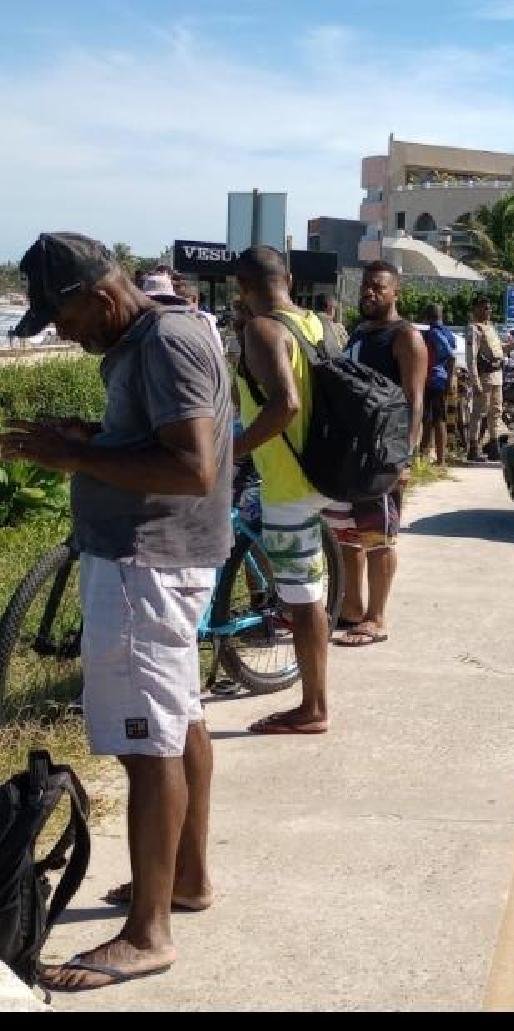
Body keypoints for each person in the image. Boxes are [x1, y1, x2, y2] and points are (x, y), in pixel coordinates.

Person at [1, 232, 232, 991]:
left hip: (146, 564)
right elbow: (159, 443)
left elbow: (192, 466)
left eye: (61, 317)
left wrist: (75, 458)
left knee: (148, 744)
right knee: (180, 721)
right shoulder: (164, 330)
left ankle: (148, 933)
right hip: (162, 560)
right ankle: (185, 880)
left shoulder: (162, 342)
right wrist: (91, 437)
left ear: (100, 295)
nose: (61, 334)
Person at [232, 245, 334, 736]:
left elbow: (285, 405)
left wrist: (232, 450)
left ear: (242, 287)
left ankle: (313, 707)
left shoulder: (262, 329)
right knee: (300, 586)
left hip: (288, 482)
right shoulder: (318, 324)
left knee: (302, 598)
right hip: (322, 473)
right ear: (289, 279)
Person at [325, 261, 428, 646]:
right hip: (348, 453)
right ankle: (351, 610)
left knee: (377, 535)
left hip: (382, 454)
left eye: (378, 287)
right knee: (345, 535)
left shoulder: (405, 337)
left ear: (395, 292)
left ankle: (376, 617)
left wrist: (404, 456)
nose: (369, 292)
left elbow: (415, 401)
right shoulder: (360, 332)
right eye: (366, 286)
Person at [466, 296, 506, 461]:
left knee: (495, 412)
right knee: (479, 413)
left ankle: (494, 446)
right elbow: (472, 358)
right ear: (475, 309)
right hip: (484, 377)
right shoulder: (474, 329)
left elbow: (500, 351)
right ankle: (473, 448)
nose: (487, 311)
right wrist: (475, 382)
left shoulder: (491, 328)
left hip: (497, 376)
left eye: (488, 308)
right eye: (483, 308)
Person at [421, 303, 456, 466]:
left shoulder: (434, 333)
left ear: (427, 317)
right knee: (429, 418)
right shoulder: (448, 333)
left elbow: (451, 355)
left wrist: (448, 381)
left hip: (435, 379)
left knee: (436, 419)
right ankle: (423, 454)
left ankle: (440, 460)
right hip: (437, 379)